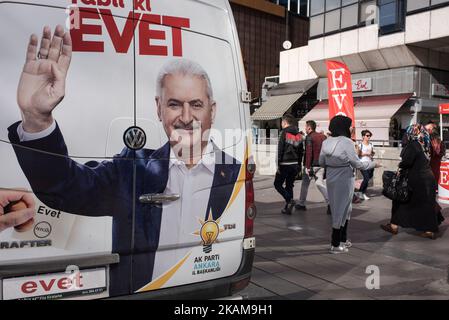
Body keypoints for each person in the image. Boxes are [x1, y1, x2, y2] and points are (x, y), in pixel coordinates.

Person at [8, 25, 240, 295]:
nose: (186, 117)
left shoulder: (235, 172)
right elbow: (65, 187)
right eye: (175, 104)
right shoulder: (134, 168)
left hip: (210, 290)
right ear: (159, 108)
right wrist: (37, 119)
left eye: (196, 105)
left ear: (212, 110)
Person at [319, 116, 378, 254]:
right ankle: (335, 244)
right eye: (350, 125)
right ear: (343, 126)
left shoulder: (326, 142)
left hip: (332, 177)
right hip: (345, 177)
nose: (352, 128)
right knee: (344, 209)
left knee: (340, 208)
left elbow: (321, 161)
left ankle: (342, 240)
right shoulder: (347, 142)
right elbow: (357, 163)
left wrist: (332, 163)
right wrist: (373, 163)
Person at [381, 124, 445, 239]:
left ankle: (394, 225)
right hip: (428, 178)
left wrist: (400, 165)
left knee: (400, 201)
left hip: (416, 179)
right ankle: (429, 230)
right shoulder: (425, 144)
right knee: (427, 205)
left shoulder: (413, 145)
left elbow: (407, 162)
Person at [295, 120, 329, 214]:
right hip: (321, 165)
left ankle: (301, 203)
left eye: (306, 127)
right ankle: (330, 202)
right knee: (320, 184)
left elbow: (309, 153)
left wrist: (307, 166)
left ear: (309, 128)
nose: (305, 129)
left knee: (305, 184)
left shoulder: (309, 137)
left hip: (311, 165)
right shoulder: (323, 137)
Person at [274, 114, 303, 215]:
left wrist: (278, 165)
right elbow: (301, 151)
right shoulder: (299, 134)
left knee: (277, 184)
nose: (281, 124)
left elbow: (280, 149)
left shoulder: (283, 133)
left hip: (284, 163)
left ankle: (289, 200)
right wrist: (299, 165)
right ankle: (288, 208)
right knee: (289, 186)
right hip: (295, 164)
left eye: (281, 122)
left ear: (285, 122)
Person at [425, 121, 446, 188]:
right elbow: (442, 152)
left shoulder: (432, 142)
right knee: (435, 174)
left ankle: (433, 187)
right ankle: (434, 187)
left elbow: (432, 152)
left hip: (433, 161)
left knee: (433, 174)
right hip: (436, 161)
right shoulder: (440, 142)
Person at [357, 130, 375, 200]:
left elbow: (372, 153)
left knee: (369, 177)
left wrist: (372, 154)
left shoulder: (371, 144)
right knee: (366, 178)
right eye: (367, 136)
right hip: (362, 163)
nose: (369, 137)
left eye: (369, 136)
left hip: (370, 163)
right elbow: (358, 154)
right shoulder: (360, 145)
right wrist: (365, 154)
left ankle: (361, 192)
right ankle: (362, 192)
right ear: (363, 136)